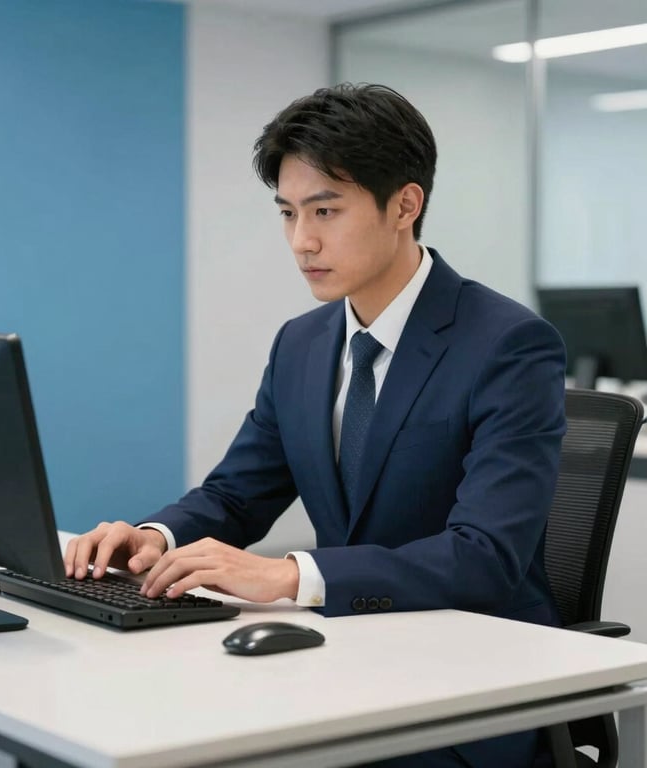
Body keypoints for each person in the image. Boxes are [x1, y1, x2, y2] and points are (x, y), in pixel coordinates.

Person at [64, 83, 566, 767]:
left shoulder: (507, 344)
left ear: (405, 206)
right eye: (288, 213)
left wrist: (289, 576)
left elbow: (485, 556)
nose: (303, 241)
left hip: (466, 695)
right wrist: (156, 537)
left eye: (326, 210)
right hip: (342, 665)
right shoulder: (301, 343)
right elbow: (238, 494)